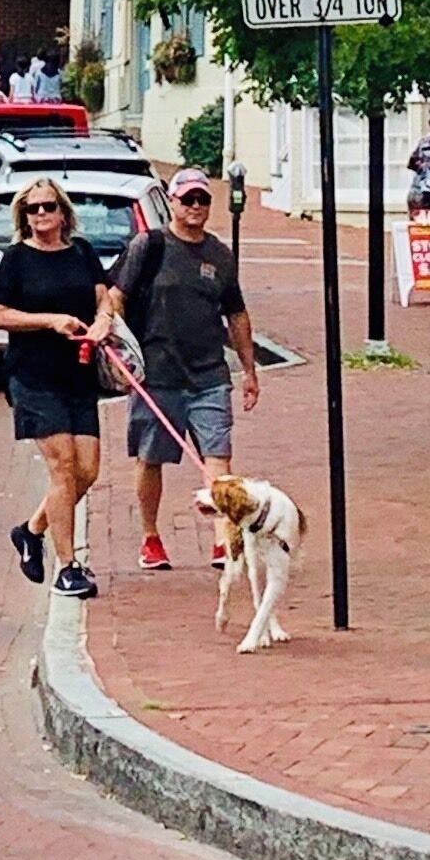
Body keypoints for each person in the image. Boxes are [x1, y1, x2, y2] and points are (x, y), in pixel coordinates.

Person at [110, 168, 261, 571]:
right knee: (150, 457)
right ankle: (150, 538)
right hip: (157, 375)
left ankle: (220, 541)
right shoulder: (150, 245)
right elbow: (115, 298)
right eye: (187, 199)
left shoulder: (220, 255)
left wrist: (248, 370)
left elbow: (237, 314)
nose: (195, 207)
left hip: (209, 374)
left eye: (202, 199)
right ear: (171, 202)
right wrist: (122, 352)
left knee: (218, 454)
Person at [0, 177, 119, 599]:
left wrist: (103, 321)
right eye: (32, 209)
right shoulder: (16, 259)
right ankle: (68, 568)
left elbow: (104, 297)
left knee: (86, 472)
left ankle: (30, 531)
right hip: (33, 375)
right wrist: (50, 320)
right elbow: (1, 315)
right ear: (23, 216)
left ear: (63, 212)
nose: (41, 215)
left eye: (48, 207)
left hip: (79, 374)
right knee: (63, 469)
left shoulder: (81, 252)